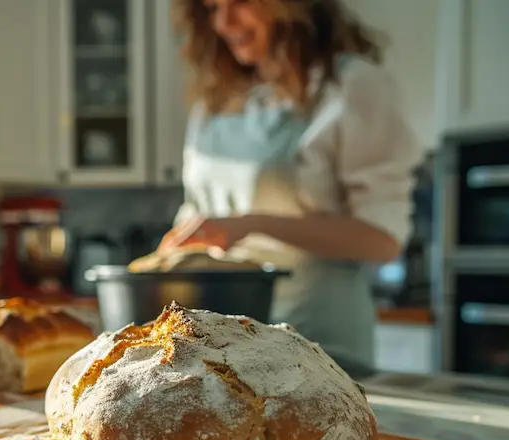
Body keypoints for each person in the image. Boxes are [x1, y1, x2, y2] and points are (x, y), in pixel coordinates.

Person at [159, 0, 422, 378]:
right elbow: (196, 214)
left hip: (319, 346)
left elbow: (382, 239)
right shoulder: (215, 103)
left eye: (240, 2)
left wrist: (253, 224)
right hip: (223, 351)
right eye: (213, 7)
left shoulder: (353, 86)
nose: (223, 21)